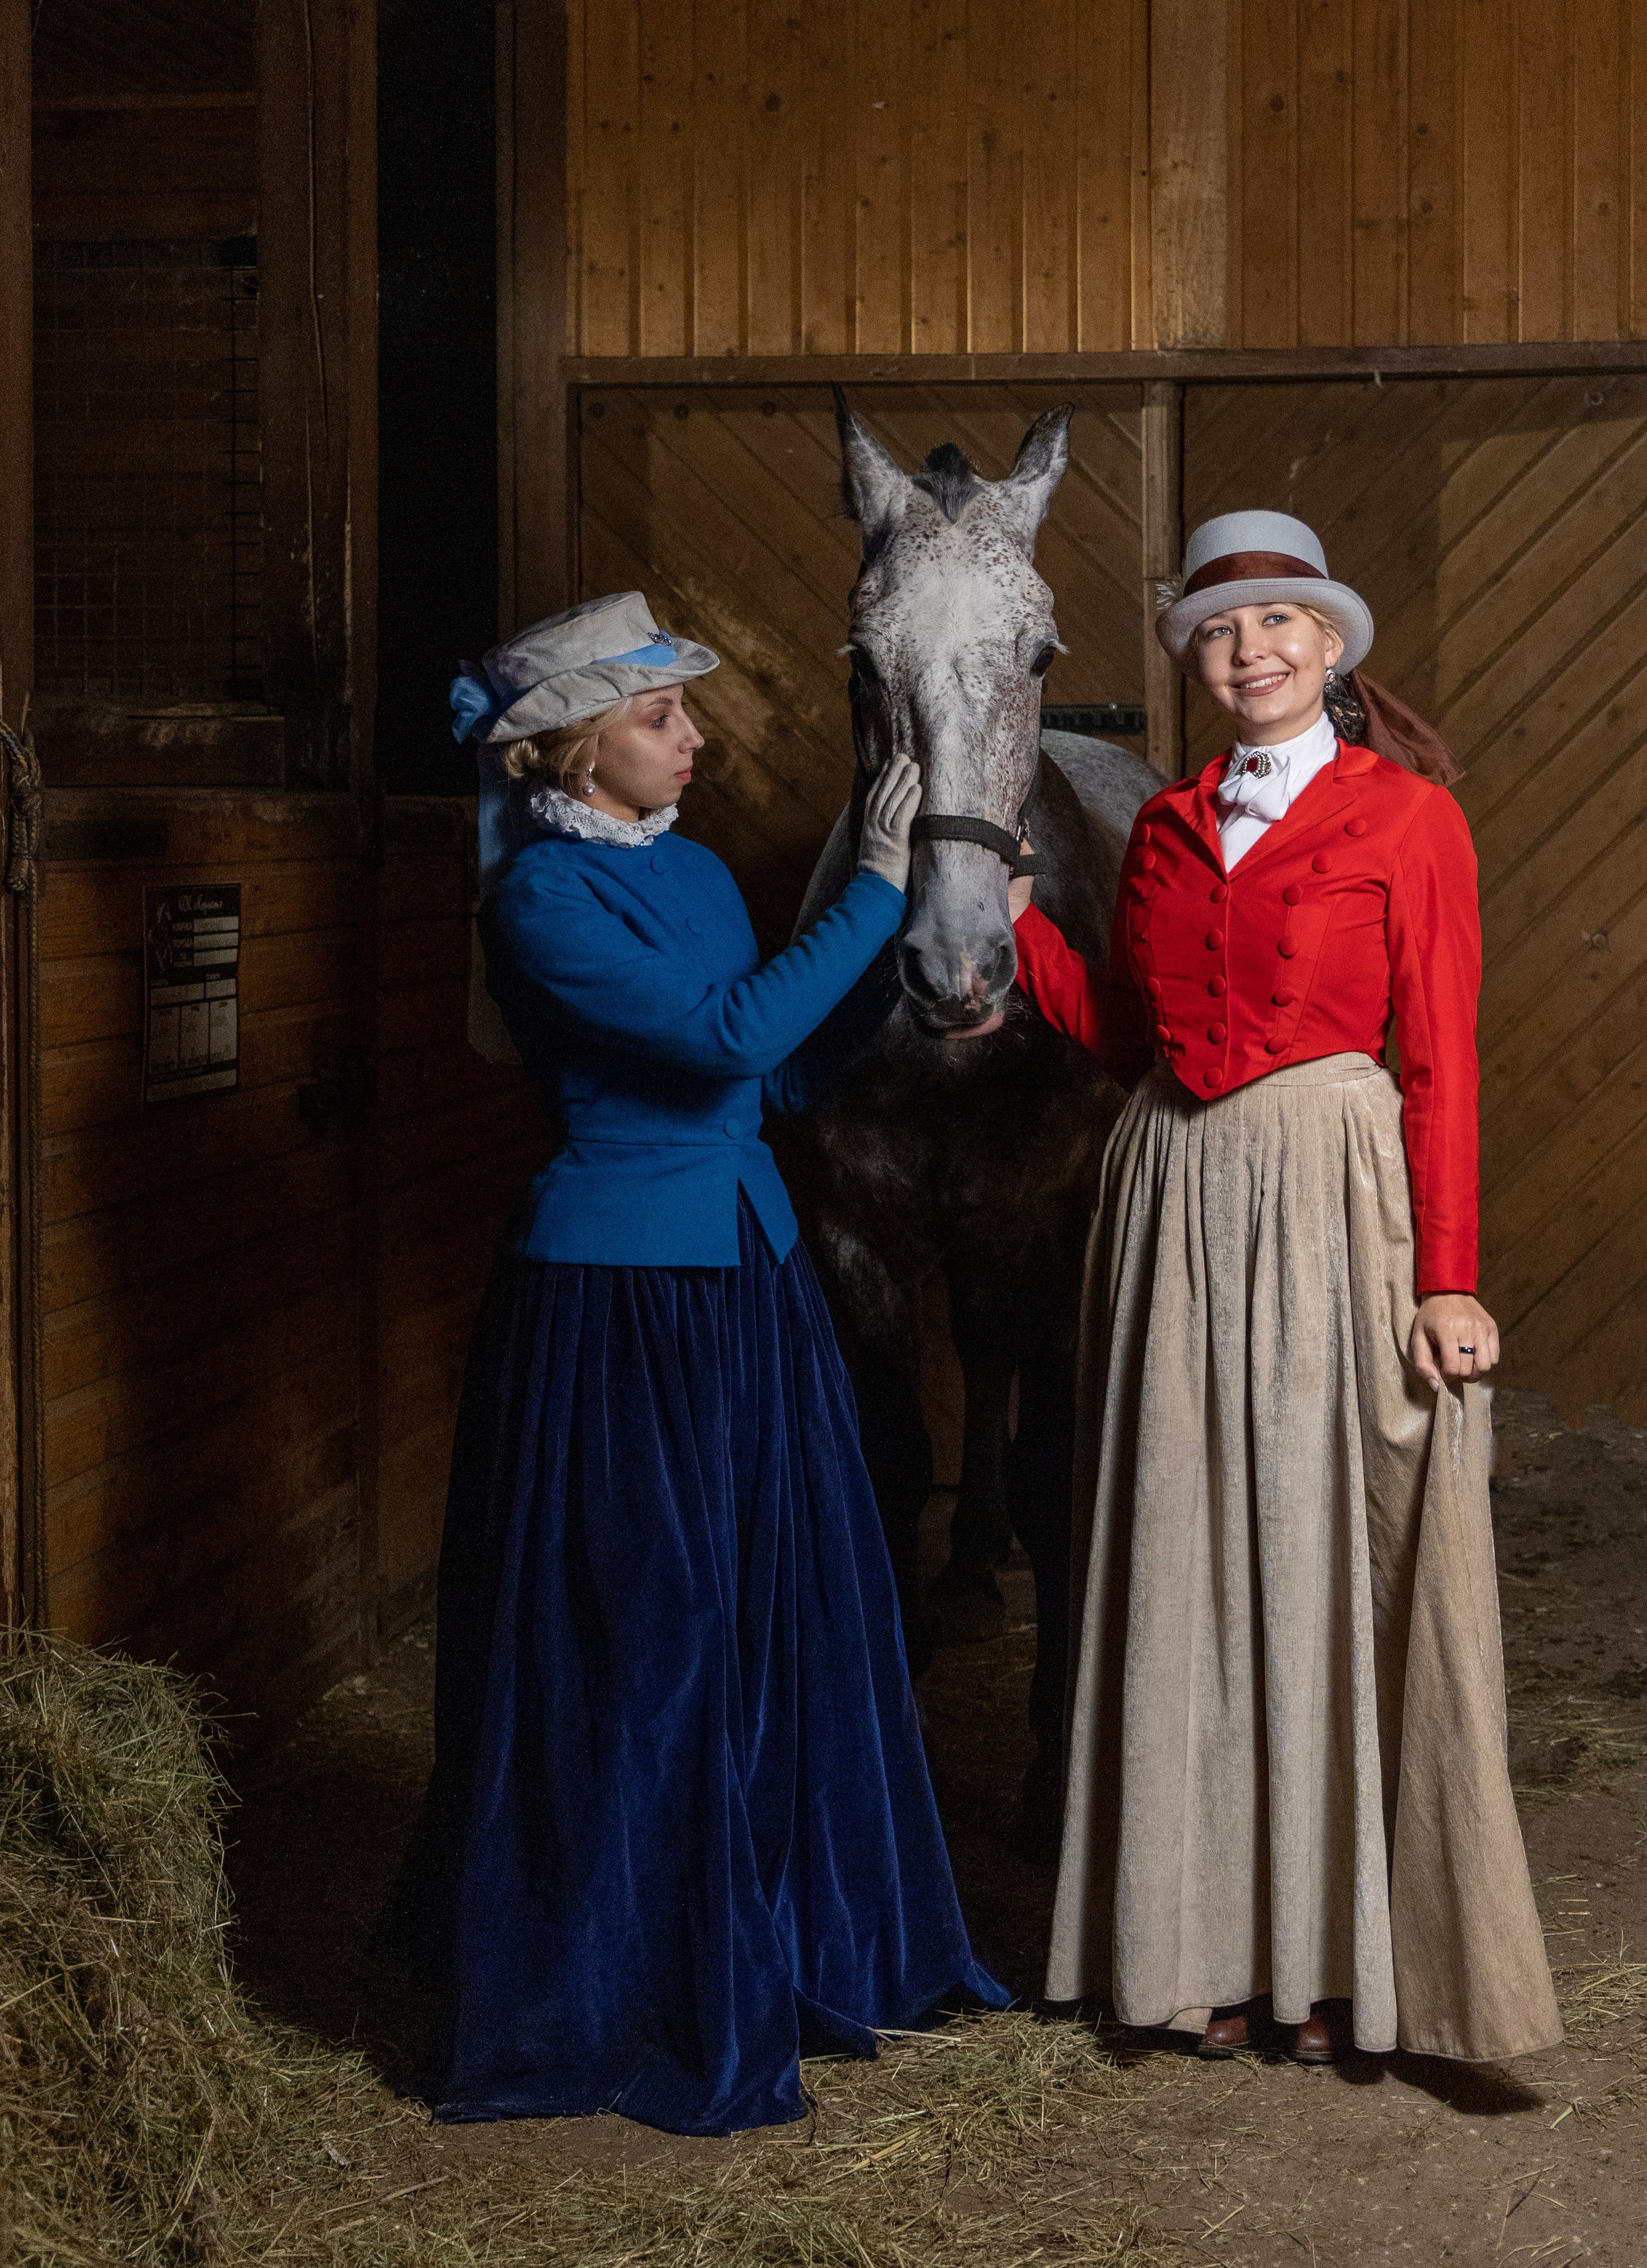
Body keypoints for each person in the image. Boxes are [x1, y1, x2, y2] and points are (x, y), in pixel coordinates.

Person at [376, 592, 1005, 2136]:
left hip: (745, 1272)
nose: (698, 736)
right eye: (665, 717)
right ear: (577, 744)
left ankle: (781, 1942)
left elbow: (775, 1069)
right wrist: (872, 878)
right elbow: (724, 1037)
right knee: (644, 1636)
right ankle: (620, 1977)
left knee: (774, 1622)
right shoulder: (537, 904)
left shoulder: (703, 873)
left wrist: (921, 952)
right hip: (614, 1302)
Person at [1009, 513, 1560, 2064]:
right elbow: (1130, 1032)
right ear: (1190, 660)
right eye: (1214, 632)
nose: (1246, 653)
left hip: (1330, 1191)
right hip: (1172, 1193)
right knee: (1187, 1549)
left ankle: (1336, 1954)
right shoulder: (1174, 823)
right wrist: (1024, 948)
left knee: (1322, 1554)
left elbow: (1438, 1059)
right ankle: (1198, 1943)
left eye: (1276, 628)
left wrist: (1446, 1279)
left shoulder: (1405, 818)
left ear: (1329, 646)